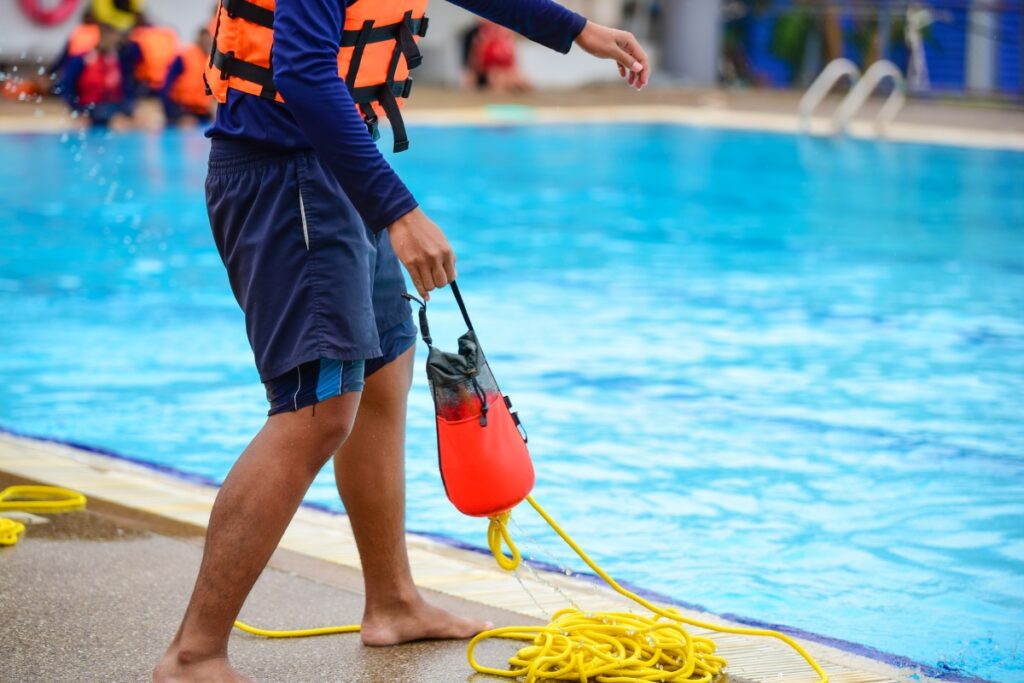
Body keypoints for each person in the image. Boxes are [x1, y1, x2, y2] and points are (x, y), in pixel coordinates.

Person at [152, 1, 648, 681]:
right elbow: (299, 69)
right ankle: (193, 653)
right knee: (317, 409)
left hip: (337, 165)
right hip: (283, 172)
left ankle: (392, 602)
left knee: (386, 369)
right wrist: (399, 212)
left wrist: (572, 29)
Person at [56, 22, 132, 128]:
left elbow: (127, 89)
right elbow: (65, 87)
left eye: (115, 40)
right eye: (109, 39)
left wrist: (125, 111)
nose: (112, 43)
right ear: (100, 37)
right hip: (86, 110)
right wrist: (77, 111)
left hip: (112, 110)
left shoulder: (117, 60)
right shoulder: (81, 60)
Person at [161, 29, 215, 126]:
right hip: (184, 109)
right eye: (204, 39)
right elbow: (167, 83)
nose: (206, 42)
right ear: (198, 39)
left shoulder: (210, 61)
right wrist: (171, 112)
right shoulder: (184, 57)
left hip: (203, 112)